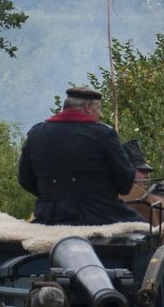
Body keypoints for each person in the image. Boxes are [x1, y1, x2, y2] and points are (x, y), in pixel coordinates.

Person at [17, 86, 139, 226]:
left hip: (49, 216)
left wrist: (51, 198)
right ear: (88, 107)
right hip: (101, 216)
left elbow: (25, 179)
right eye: (99, 109)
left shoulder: (36, 133)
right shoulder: (104, 134)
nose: (100, 114)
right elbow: (125, 182)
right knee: (149, 232)